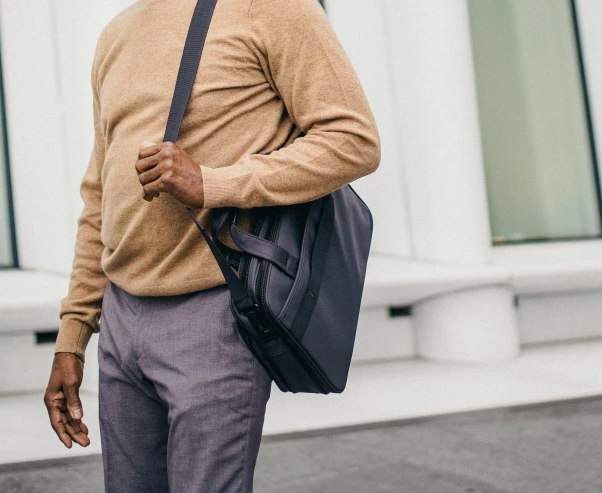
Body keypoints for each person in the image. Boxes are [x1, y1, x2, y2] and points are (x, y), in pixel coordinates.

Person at [43, 0, 380, 490]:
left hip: (214, 311)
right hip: (120, 320)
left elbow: (353, 139)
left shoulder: (273, 8)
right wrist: (73, 335)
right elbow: (100, 196)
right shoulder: (116, 33)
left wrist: (213, 183)